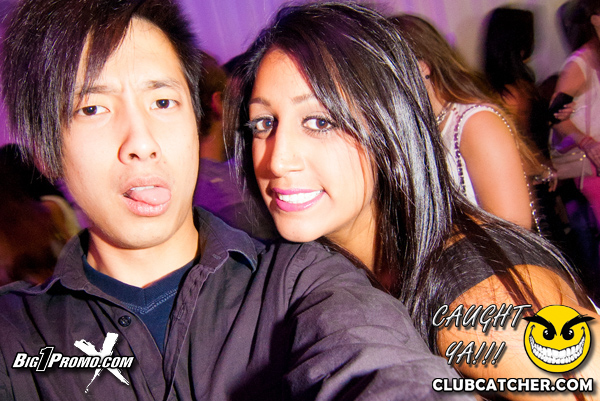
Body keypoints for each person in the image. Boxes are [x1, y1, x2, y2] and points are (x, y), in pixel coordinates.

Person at [0, 0, 467, 399]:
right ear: (45, 151)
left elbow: (381, 368)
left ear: (196, 120)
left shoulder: (300, 283)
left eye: (162, 103)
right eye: (93, 108)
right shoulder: (15, 332)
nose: (141, 142)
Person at [225, 3, 600, 399]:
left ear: (390, 128)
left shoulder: (475, 297)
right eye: (264, 123)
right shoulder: (321, 270)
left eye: (320, 121)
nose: (278, 160)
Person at [389, 14, 542, 230]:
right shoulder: (426, 126)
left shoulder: (476, 122)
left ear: (422, 67)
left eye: (387, 72)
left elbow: (514, 224)